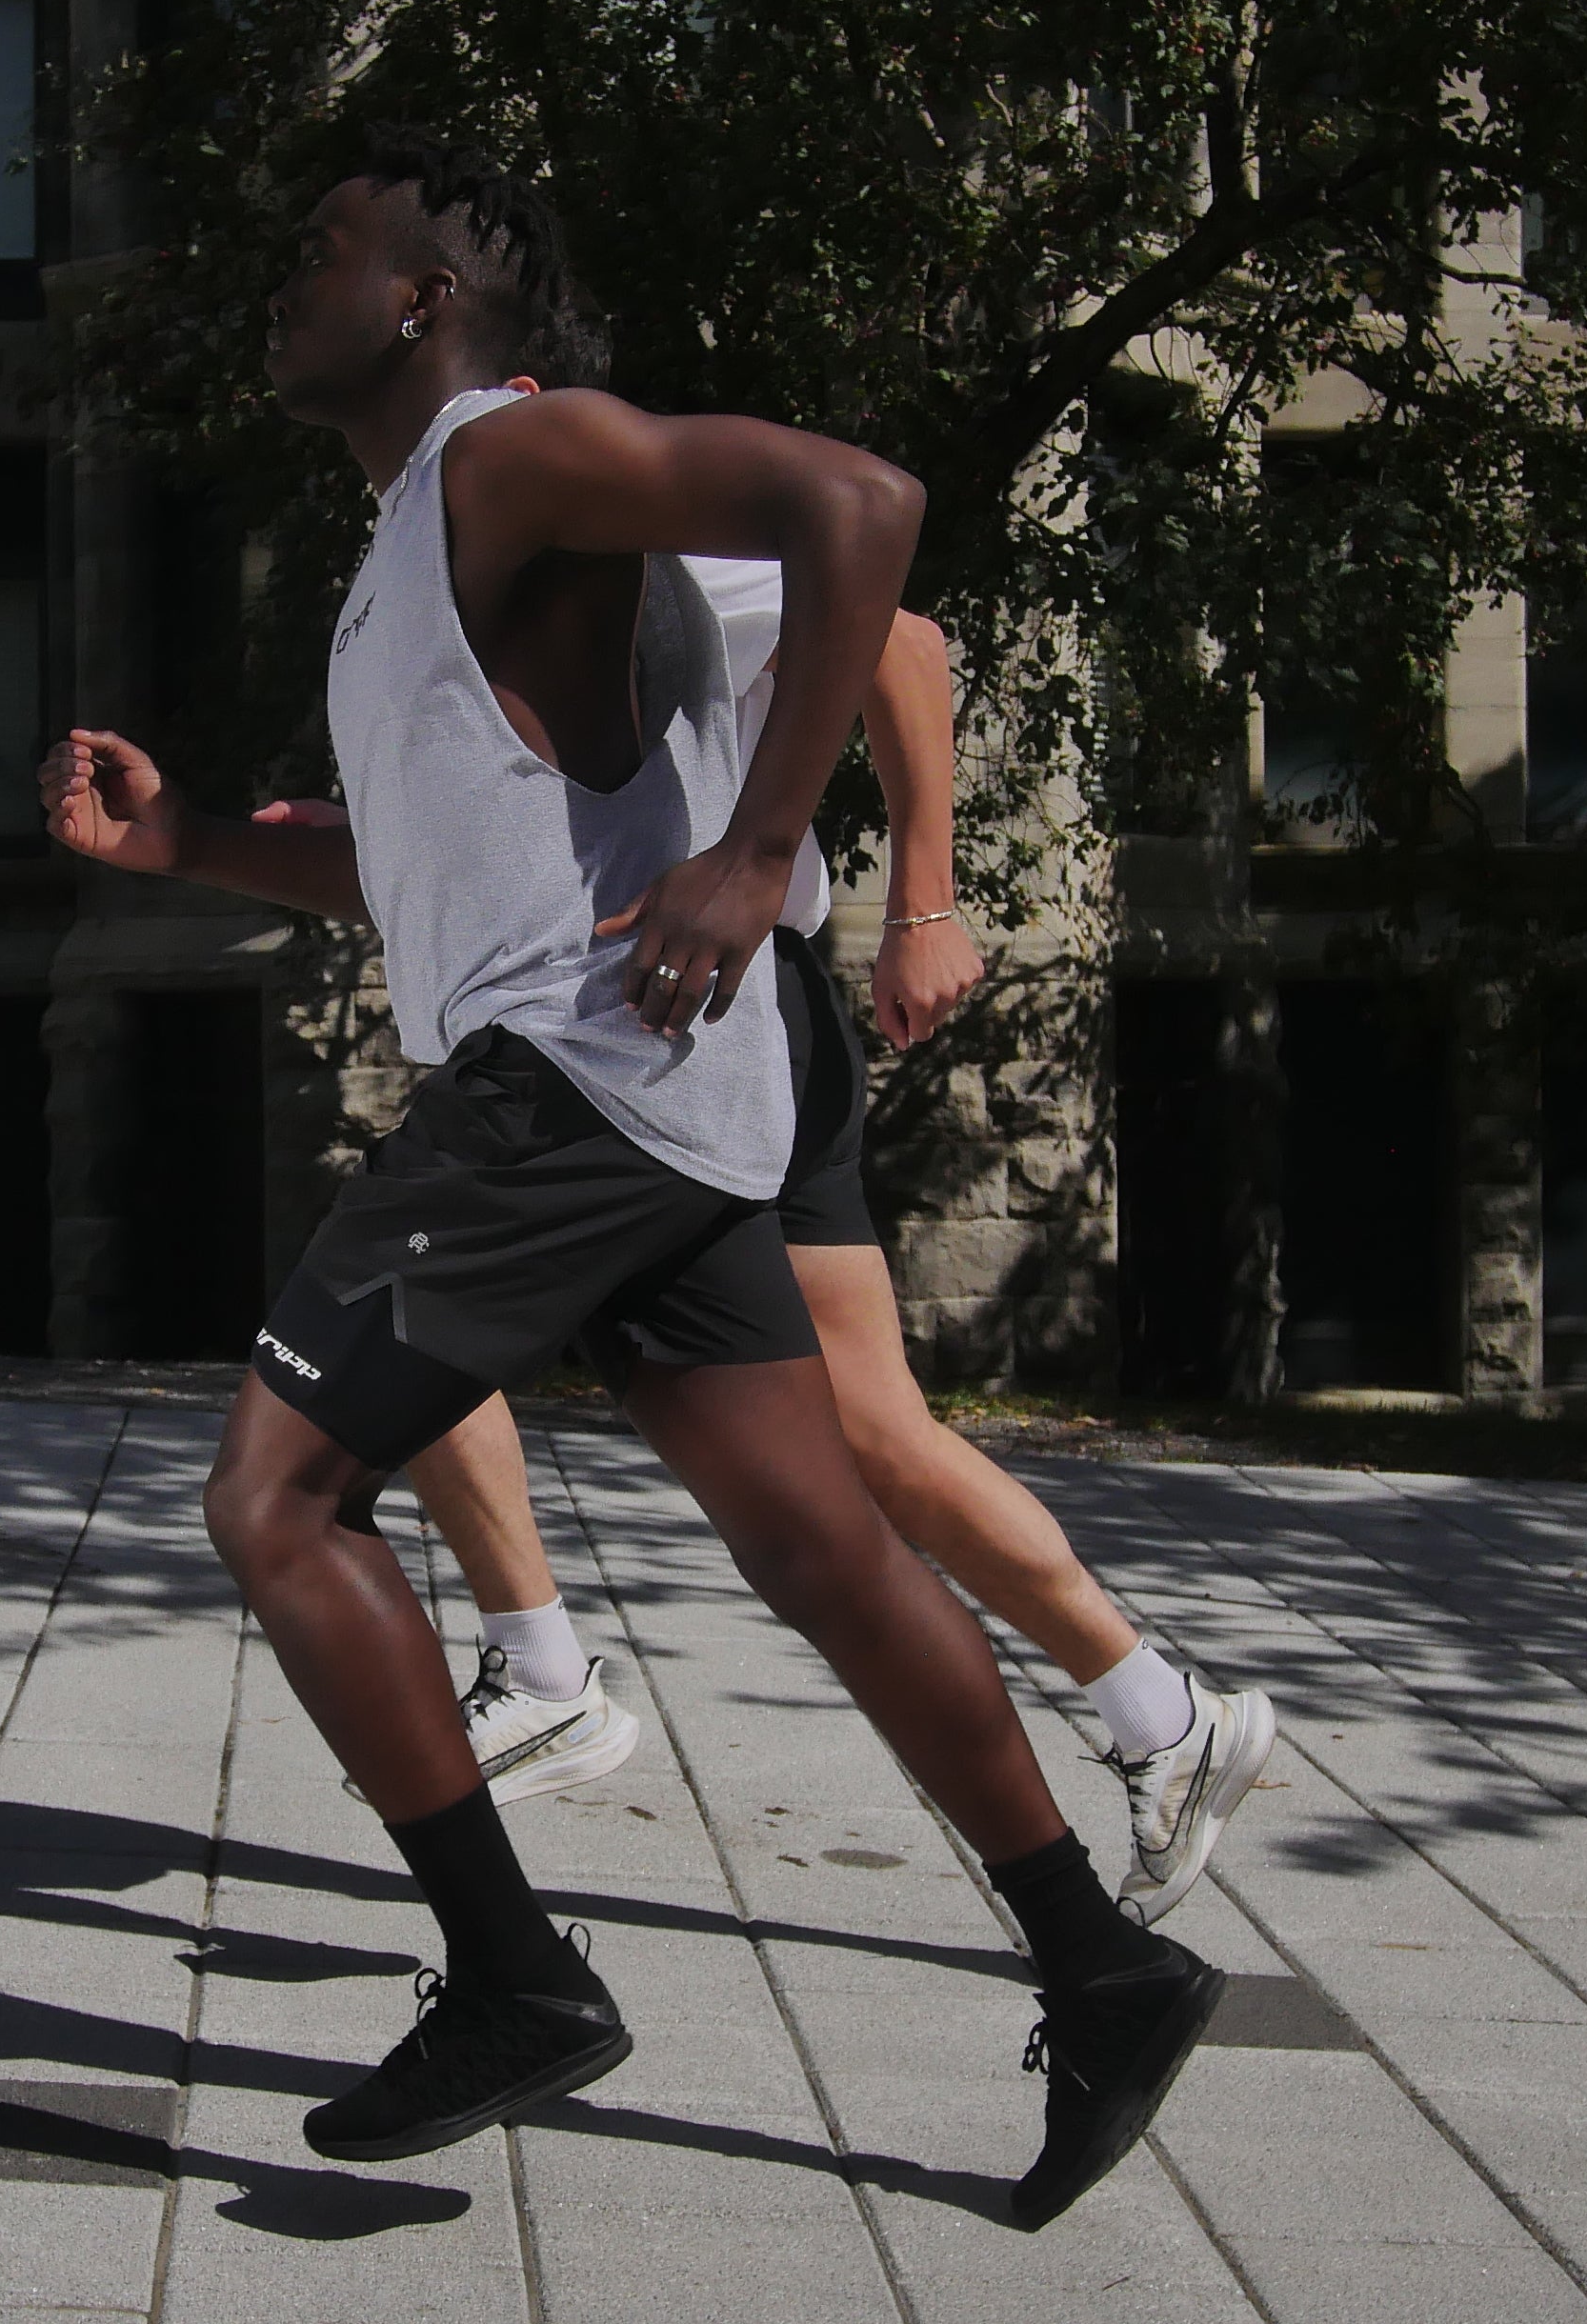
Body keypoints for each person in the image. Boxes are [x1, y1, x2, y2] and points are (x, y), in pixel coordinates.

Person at [38, 128, 1217, 2228]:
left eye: (326, 251)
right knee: (827, 1548)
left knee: (274, 1499)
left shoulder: (505, 452)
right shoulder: (425, 531)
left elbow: (864, 509)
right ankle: (1104, 1968)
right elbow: (433, 872)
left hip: (569, 1092)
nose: (287, 285)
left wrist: (764, 852)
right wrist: (192, 841)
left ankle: (513, 1979)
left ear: (425, 298)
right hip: (662, 1093)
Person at [267, 572, 1278, 1926]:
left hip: (687, 1020)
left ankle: (545, 1671)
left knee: (398, 1307)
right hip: (658, 1021)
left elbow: (899, 635)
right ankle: (1162, 1714)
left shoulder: (621, 521)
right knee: (869, 1433)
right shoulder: (429, 554)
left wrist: (924, 901)